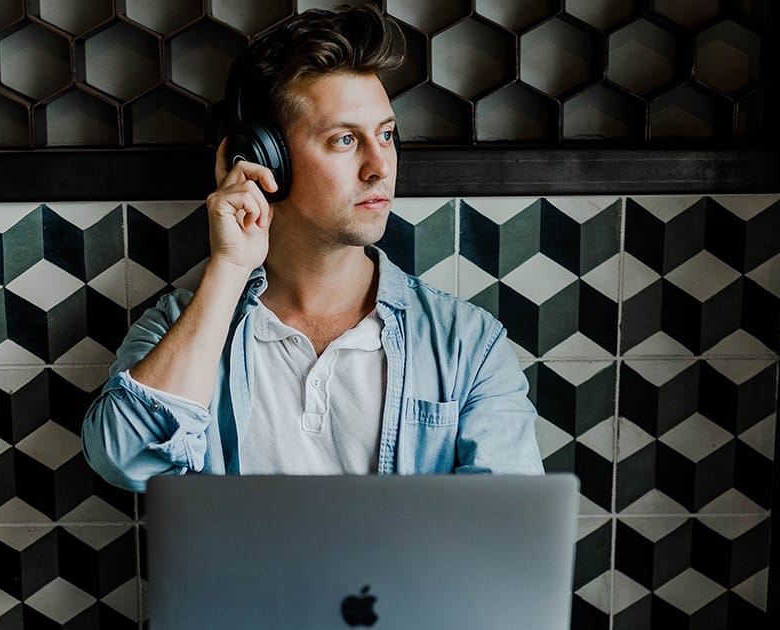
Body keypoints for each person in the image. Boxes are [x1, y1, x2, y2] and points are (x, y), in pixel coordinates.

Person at [81, 5, 543, 493]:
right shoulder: (180, 328)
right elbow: (125, 461)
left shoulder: (467, 345)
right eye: (345, 139)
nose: (380, 167)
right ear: (265, 159)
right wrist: (230, 269)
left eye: (386, 135)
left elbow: (504, 543)